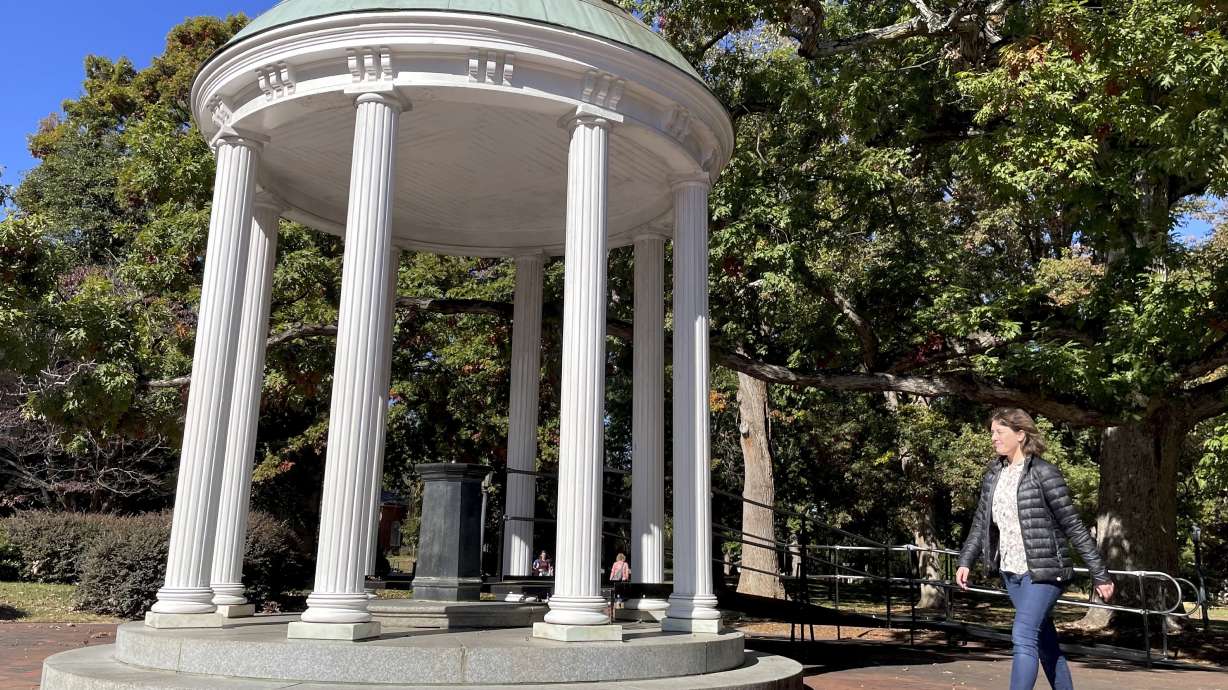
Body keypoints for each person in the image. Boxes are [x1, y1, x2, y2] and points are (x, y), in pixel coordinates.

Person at [956, 408, 1115, 690]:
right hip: (1011, 571)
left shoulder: (1044, 473)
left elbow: (1073, 525)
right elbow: (981, 523)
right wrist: (966, 560)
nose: (993, 438)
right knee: (1044, 643)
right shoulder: (994, 474)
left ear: (1020, 434)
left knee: (1023, 634)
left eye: (999, 432)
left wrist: (1100, 574)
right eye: (992, 432)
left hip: (1045, 571)